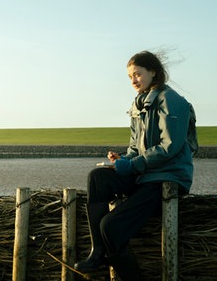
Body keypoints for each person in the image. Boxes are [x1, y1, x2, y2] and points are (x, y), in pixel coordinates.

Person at [74, 50, 197, 280]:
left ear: (153, 72)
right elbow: (135, 148)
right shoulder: (138, 104)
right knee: (97, 177)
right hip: (146, 174)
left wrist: (132, 166)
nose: (133, 80)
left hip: (167, 178)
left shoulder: (170, 100)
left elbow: (169, 147)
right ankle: (98, 251)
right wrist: (123, 159)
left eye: (138, 74)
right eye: (130, 76)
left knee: (110, 227)